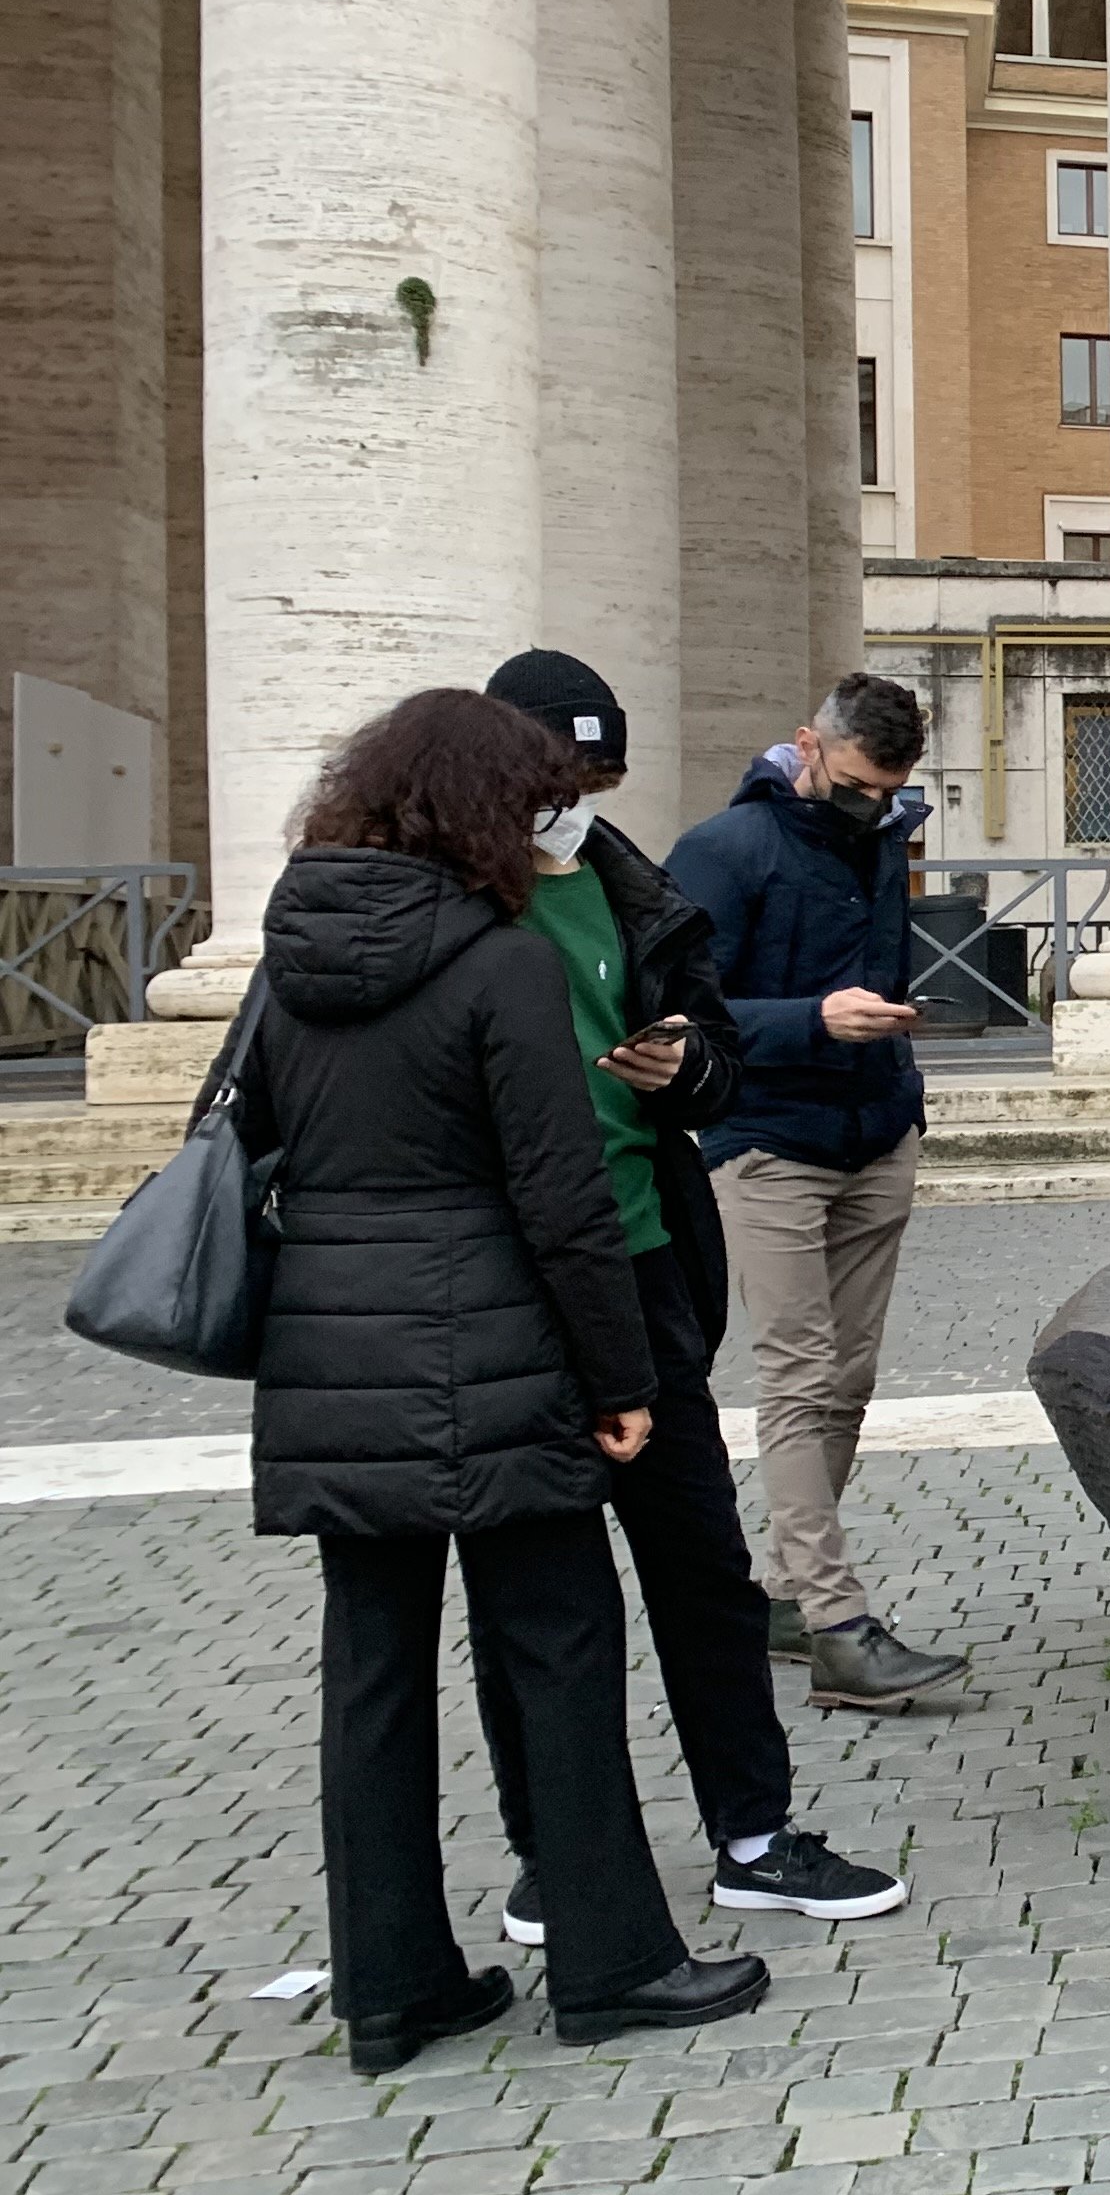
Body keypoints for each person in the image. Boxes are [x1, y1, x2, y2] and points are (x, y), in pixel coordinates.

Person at [236, 689, 768, 2071]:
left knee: (370, 1671)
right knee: (559, 1642)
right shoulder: (500, 964)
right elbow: (562, 1196)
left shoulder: (291, 954)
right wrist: (621, 1375)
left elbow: (240, 1139)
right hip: (496, 1347)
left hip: (333, 1358)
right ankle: (613, 1963)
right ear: (485, 810)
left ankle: (390, 1985)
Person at [475, 652, 907, 1941]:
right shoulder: (456, 907)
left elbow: (711, 1051)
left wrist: (691, 1067)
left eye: (597, 779)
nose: (578, 803)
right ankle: (556, 1854)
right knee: (544, 1602)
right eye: (559, 778)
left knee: (706, 1570)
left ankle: (755, 1835)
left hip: (646, 1263)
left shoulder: (625, 884)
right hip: (509, 1289)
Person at [666, 672, 967, 1710]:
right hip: (767, 1143)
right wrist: (811, 1021)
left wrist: (893, 1050)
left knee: (850, 1380)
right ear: (806, 746)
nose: (870, 806)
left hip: (876, 1132)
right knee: (798, 1377)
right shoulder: (724, 849)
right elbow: (672, 1017)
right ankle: (838, 1626)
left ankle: (790, 1599)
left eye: (889, 790)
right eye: (853, 785)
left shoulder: (883, 837)